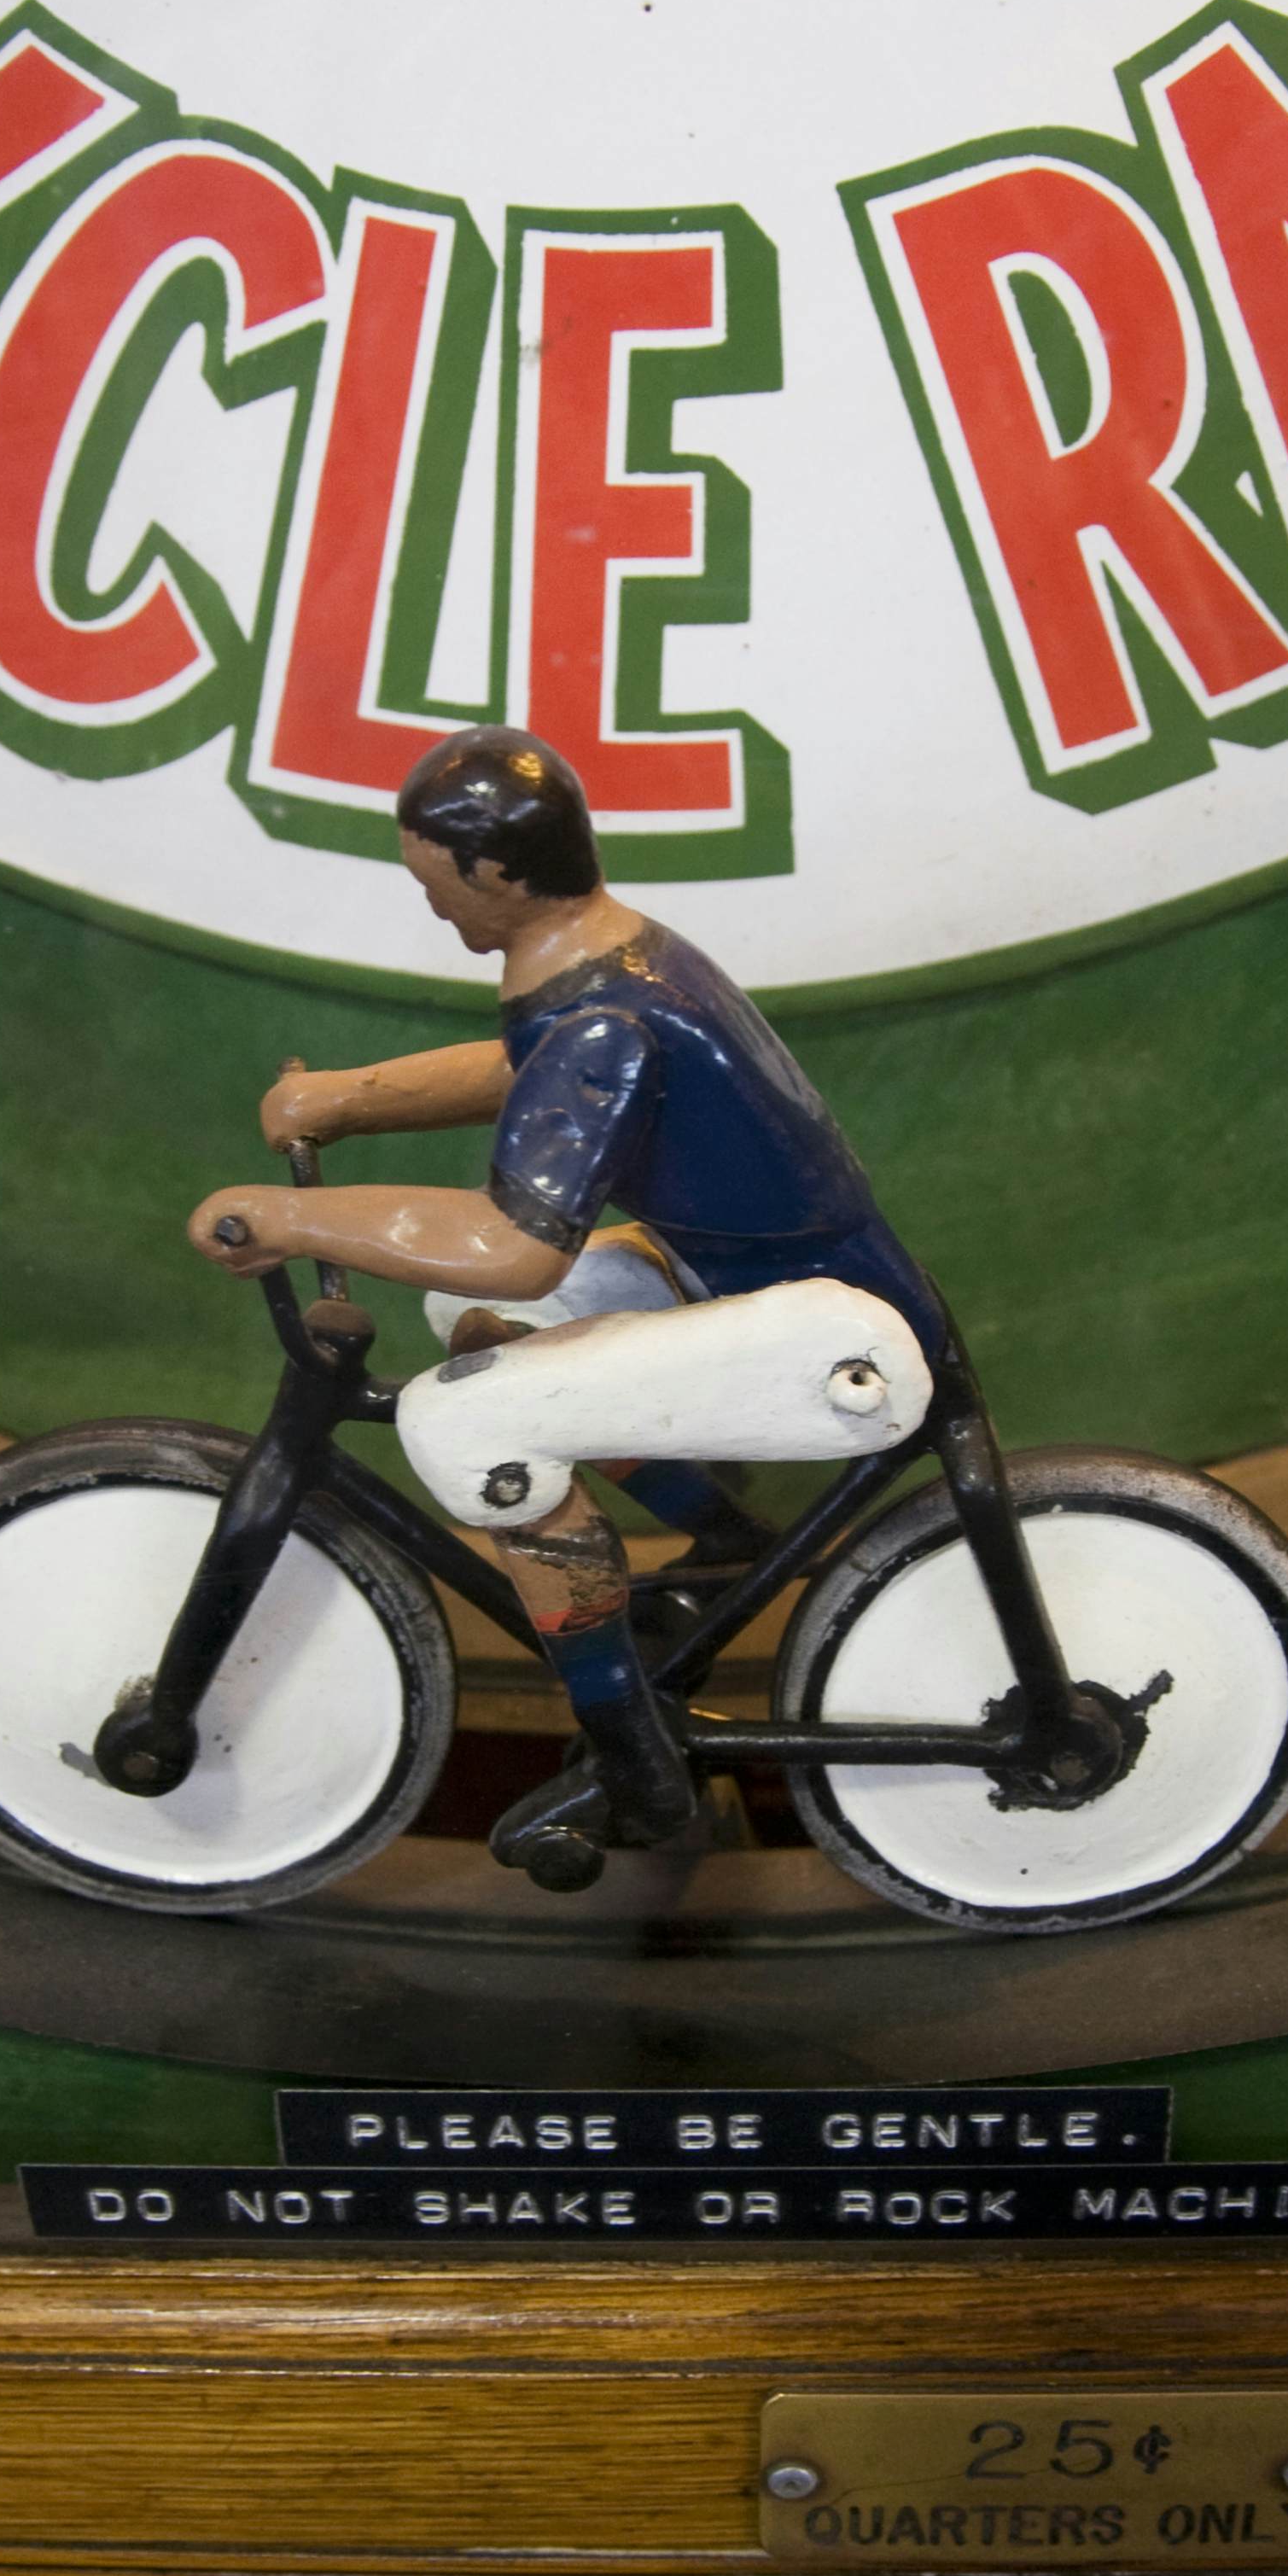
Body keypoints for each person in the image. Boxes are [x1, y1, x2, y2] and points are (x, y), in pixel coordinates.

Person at [189, 726, 949, 1868]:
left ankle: (636, 1763)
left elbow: (515, 1247)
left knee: (462, 1414)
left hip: (827, 1337)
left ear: (494, 874)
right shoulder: (605, 955)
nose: (435, 909)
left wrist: (292, 1216)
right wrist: (349, 1100)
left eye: (435, 886)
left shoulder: (603, 1012)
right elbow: (527, 1070)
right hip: (755, 1281)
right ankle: (725, 1544)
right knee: (476, 1334)